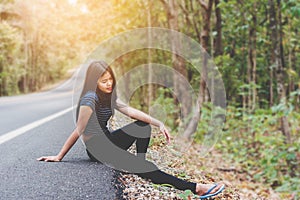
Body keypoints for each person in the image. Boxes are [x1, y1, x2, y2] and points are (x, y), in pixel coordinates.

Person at [37, 60, 225, 199]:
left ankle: (139, 164)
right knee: (147, 168)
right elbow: (78, 130)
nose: (109, 84)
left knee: (143, 126)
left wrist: (158, 123)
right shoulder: (89, 100)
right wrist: (59, 156)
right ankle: (197, 188)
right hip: (98, 149)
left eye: (110, 79)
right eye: (104, 81)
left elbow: (131, 111)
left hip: (109, 139)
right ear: (95, 82)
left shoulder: (108, 96)